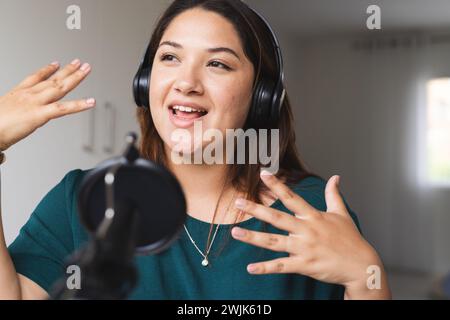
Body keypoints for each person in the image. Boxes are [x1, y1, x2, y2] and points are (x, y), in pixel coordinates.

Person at [0, 0, 391, 299]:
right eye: (170, 57)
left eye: (218, 64)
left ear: (261, 98)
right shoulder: (81, 198)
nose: (186, 82)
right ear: (145, 83)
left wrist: (365, 276)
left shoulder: (313, 213)